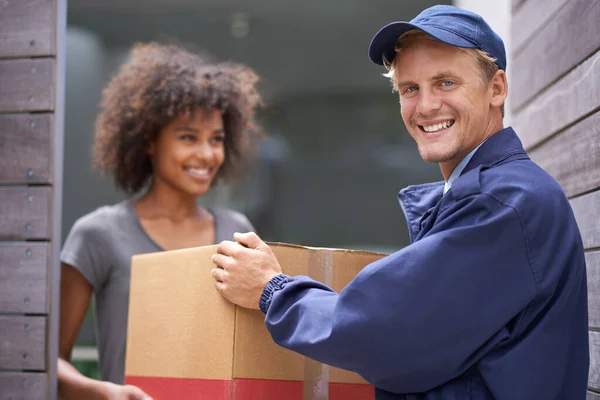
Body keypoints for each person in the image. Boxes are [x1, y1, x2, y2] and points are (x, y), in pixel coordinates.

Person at [210, 5, 589, 399]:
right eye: (410, 88)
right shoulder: (483, 196)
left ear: (496, 88)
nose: (425, 106)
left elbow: (383, 330)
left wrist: (271, 291)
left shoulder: (505, 203)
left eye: (445, 83)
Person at [58, 42, 262, 399]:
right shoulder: (98, 234)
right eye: (188, 137)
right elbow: (47, 361)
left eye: (216, 139)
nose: (206, 154)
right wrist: (104, 393)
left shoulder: (236, 231)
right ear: (150, 141)